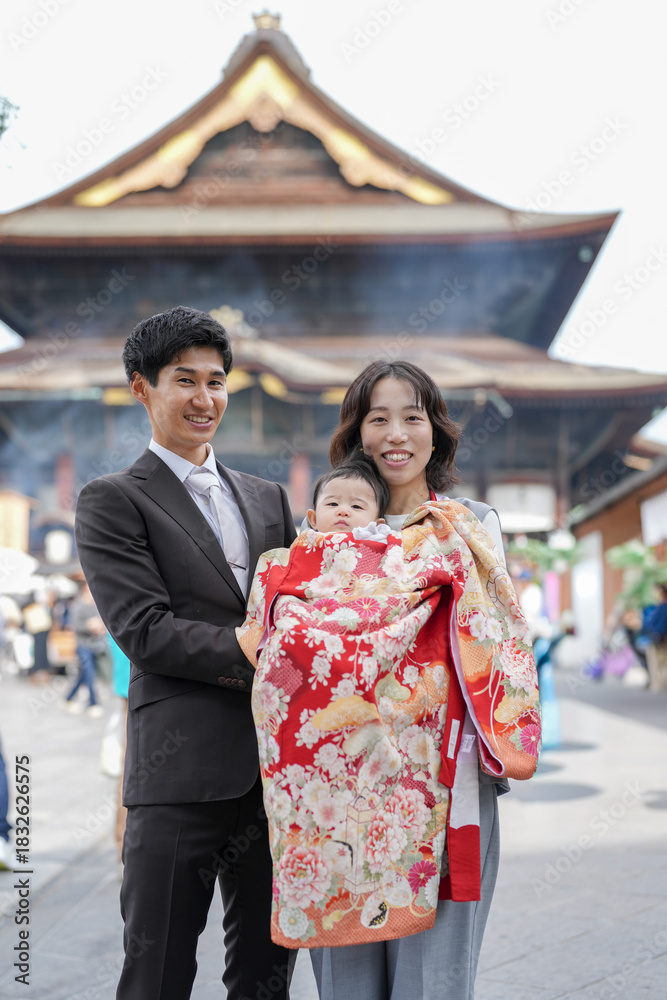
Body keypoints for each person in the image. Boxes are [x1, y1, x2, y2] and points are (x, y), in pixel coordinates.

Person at [74, 306, 296, 1000]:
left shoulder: (270, 498)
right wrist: (246, 645)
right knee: (157, 975)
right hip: (177, 776)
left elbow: (303, 608)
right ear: (141, 388)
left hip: (274, 777)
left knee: (265, 980)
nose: (205, 398)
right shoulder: (113, 500)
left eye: (216, 381)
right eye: (184, 380)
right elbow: (143, 629)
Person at [309, 360, 514, 1000]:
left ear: (436, 431)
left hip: (446, 775)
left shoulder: (472, 523)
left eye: (412, 418)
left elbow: (500, 641)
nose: (396, 434)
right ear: (357, 433)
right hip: (343, 777)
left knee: (435, 978)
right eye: (379, 419)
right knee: (345, 971)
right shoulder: (324, 528)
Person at [306, 458, 390, 533]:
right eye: (333, 504)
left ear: (377, 526)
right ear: (314, 519)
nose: (343, 511)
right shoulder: (306, 543)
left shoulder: (383, 544)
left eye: (356, 506)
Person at [62, 582, 106, 717]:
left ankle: (68, 698)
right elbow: (74, 625)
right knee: (90, 674)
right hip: (82, 646)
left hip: (95, 646)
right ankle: (93, 704)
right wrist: (89, 625)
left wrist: (99, 628)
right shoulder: (78, 606)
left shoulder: (96, 606)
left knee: (83, 675)